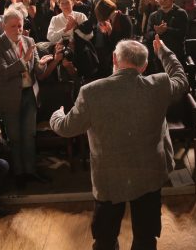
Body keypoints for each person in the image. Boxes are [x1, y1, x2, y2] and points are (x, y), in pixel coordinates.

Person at [50, 36, 188, 250]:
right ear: (144, 66)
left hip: (109, 178)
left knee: (105, 240)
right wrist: (163, 51)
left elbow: (66, 128)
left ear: (114, 58)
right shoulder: (159, 84)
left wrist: (56, 115)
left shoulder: (91, 91)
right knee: (145, 238)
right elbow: (180, 78)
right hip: (149, 174)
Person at [0, 8, 52, 189]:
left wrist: (41, 64)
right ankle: (19, 173)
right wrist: (24, 60)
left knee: (29, 135)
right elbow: (3, 73)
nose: (18, 30)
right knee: (15, 137)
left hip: (29, 94)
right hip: (9, 97)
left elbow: (37, 70)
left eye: (20, 26)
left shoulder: (29, 41)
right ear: (4, 26)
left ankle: (30, 171)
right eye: (13, 26)